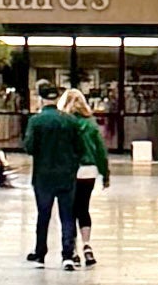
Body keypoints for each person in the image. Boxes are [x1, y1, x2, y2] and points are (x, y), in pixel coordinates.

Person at [22, 86, 85, 269]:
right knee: (67, 216)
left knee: (44, 215)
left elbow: (29, 147)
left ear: (41, 100)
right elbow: (80, 148)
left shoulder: (36, 121)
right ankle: (67, 254)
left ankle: (41, 253)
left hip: (43, 176)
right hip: (66, 175)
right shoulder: (70, 121)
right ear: (57, 99)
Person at [62, 86, 111, 266]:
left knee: (69, 210)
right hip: (88, 170)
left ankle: (72, 248)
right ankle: (87, 245)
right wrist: (105, 173)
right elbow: (100, 151)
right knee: (83, 208)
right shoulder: (90, 124)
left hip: (69, 170)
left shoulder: (64, 123)